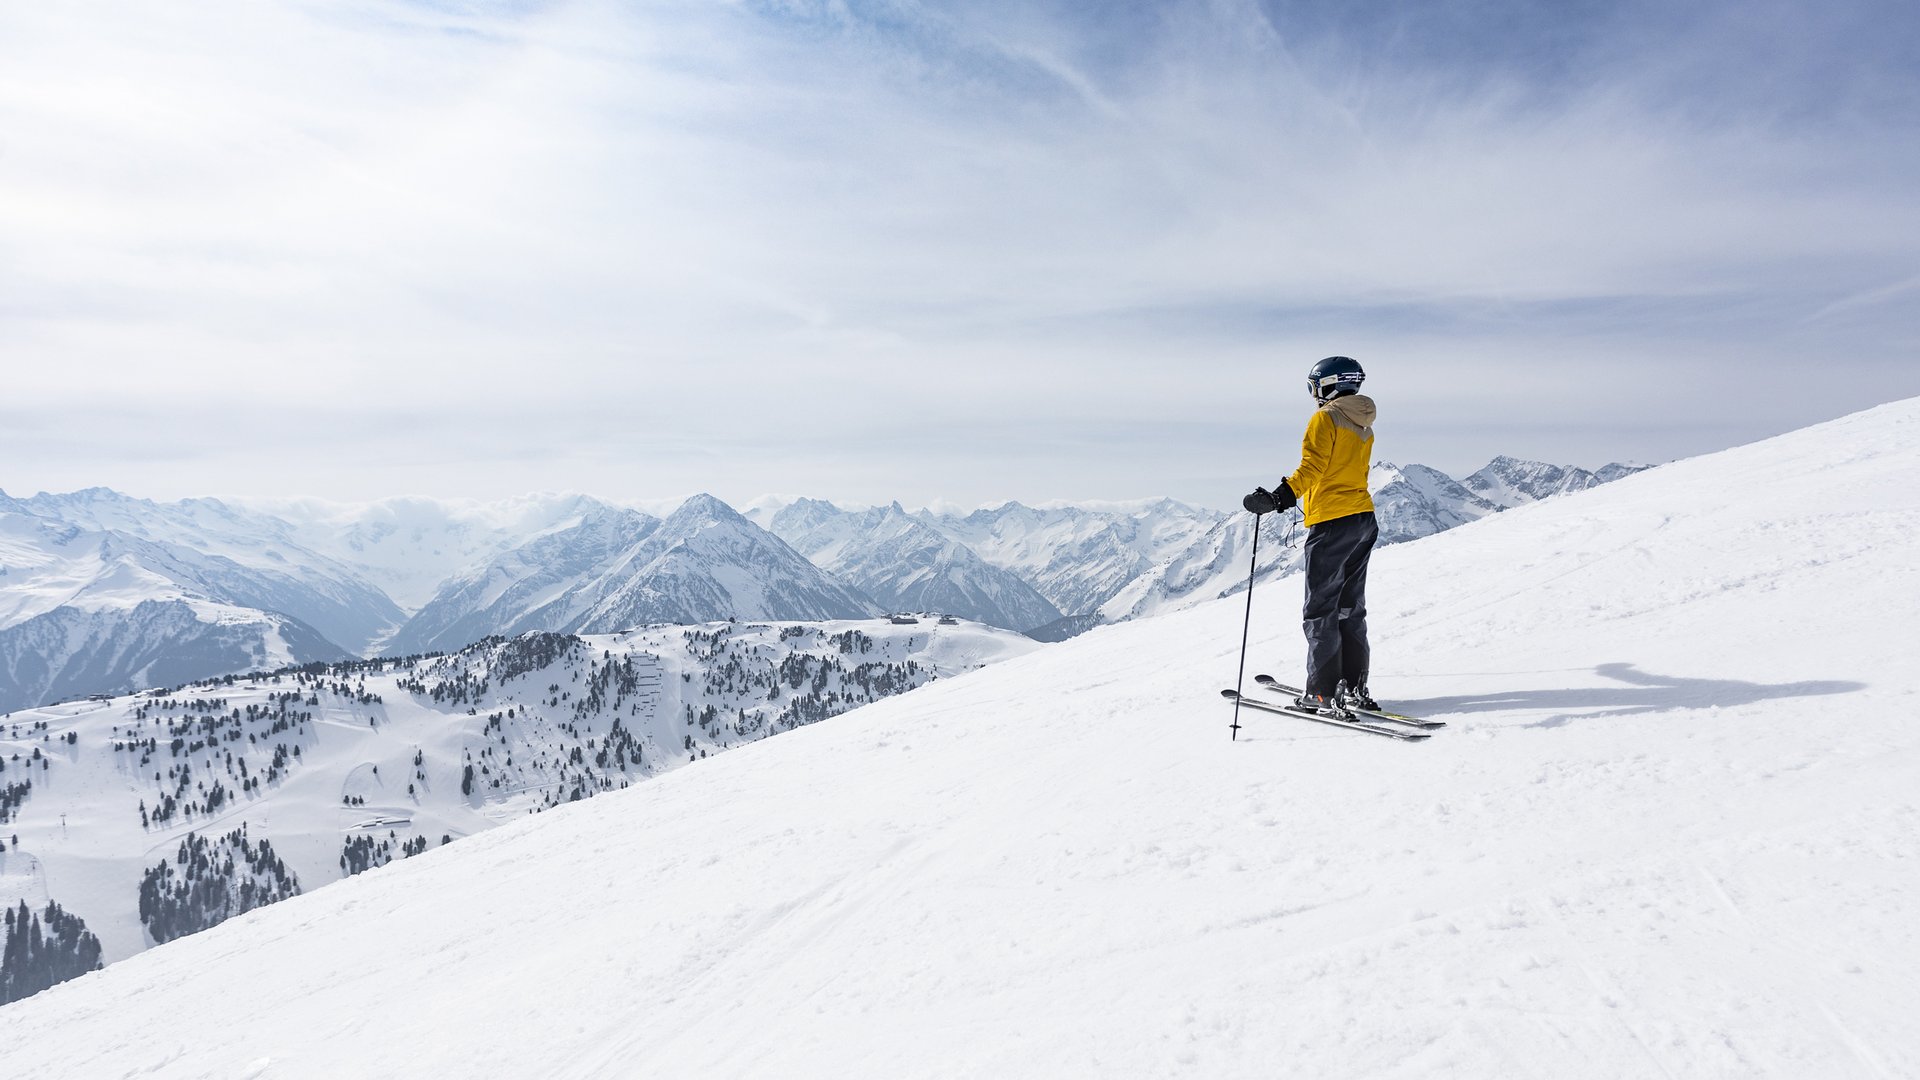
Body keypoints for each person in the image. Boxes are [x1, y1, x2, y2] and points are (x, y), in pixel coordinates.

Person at [1243, 356, 1380, 718]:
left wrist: (1277, 498)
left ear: (1328, 384)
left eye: (1314, 386)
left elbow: (1312, 468)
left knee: (1321, 609)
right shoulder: (1363, 422)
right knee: (1351, 608)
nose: (1314, 395)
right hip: (1363, 519)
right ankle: (1353, 685)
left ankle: (1321, 693)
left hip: (1333, 522)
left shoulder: (1326, 417)